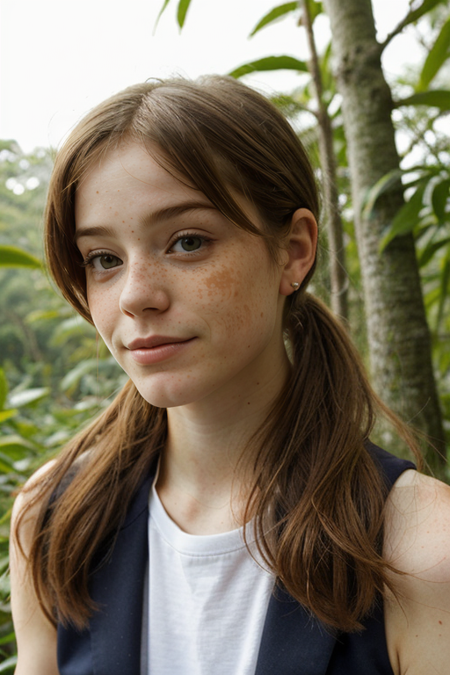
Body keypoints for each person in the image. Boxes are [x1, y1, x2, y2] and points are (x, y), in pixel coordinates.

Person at [9, 76, 450, 675]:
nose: (136, 295)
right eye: (104, 259)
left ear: (293, 251)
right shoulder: (54, 521)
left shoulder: (422, 548)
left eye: (187, 241)